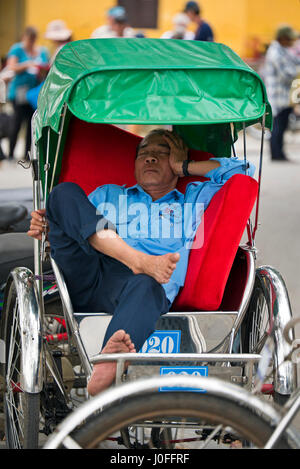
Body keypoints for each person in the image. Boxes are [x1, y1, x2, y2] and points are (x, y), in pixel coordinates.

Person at [28, 129, 254, 395]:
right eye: (143, 154)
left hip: (140, 286)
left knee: (147, 283)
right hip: (89, 272)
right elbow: (73, 220)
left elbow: (241, 173)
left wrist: (186, 166)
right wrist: (50, 223)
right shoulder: (108, 195)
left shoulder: (192, 200)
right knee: (63, 194)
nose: (150, 158)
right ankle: (138, 260)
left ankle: (109, 361)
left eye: (161, 153)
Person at [6, 26, 49, 160]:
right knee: (17, 122)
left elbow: (46, 67)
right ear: (24, 37)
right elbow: (11, 66)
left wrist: (40, 68)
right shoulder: (17, 49)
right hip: (19, 91)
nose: (30, 41)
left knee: (31, 122)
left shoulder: (41, 51)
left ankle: (27, 154)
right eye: (28, 39)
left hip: (33, 93)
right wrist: (27, 64)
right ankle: (10, 153)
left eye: (33, 39)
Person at [264, 25, 300, 161]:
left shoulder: (283, 50)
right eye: (289, 38)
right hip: (277, 96)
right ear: (282, 38)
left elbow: (295, 60)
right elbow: (286, 74)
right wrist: (297, 71)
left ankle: (280, 153)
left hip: (285, 96)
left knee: (282, 125)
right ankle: (276, 154)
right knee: (278, 126)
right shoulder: (275, 52)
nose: (291, 41)